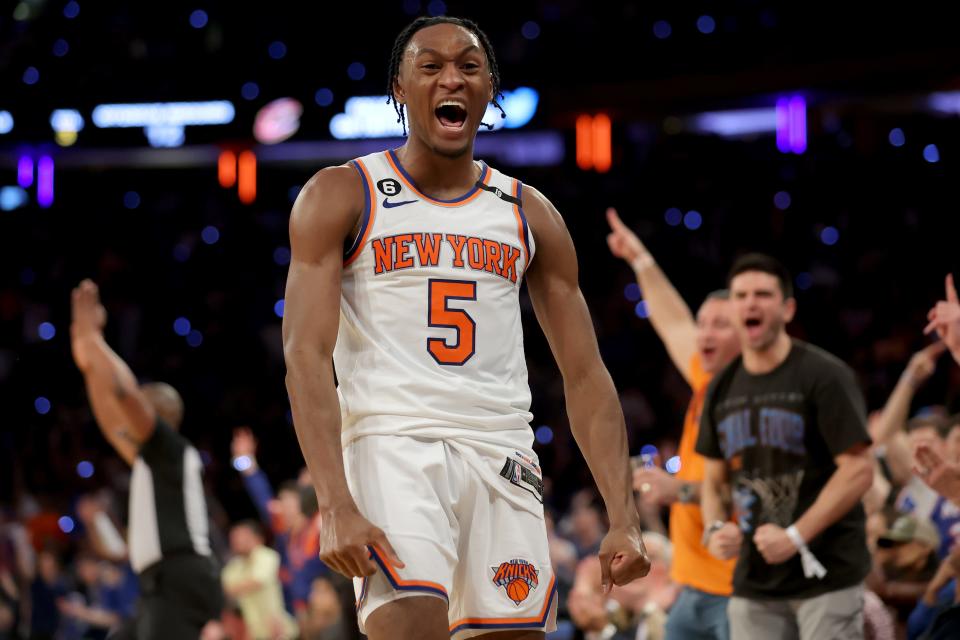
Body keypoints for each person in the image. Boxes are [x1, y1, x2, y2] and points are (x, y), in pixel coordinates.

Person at [282, 15, 650, 640]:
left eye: (469, 66)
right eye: (430, 66)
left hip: (502, 453)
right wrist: (334, 501)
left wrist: (624, 515)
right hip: (392, 445)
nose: (451, 77)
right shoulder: (344, 193)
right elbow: (305, 355)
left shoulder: (528, 212)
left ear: (489, 91)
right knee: (412, 625)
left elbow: (586, 373)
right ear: (399, 89)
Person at [696, 253, 874, 640]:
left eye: (763, 294)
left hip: (826, 572)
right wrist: (713, 527)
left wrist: (795, 536)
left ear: (788, 308)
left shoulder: (824, 376)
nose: (751, 303)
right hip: (754, 580)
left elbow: (859, 468)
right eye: (741, 295)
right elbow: (713, 480)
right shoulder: (720, 388)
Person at [606, 207, 740, 640]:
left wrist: (675, 489)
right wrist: (641, 260)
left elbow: (757, 488)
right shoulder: (708, 382)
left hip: (738, 587)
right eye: (705, 324)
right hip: (695, 582)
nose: (704, 335)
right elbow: (673, 322)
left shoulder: (756, 401)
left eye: (720, 325)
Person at [70, 279, 223, 639]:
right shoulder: (150, 459)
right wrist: (89, 358)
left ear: (156, 415)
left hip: (181, 575)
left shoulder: (171, 449)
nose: (128, 420)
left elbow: (123, 394)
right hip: (162, 580)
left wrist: (94, 341)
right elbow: (110, 418)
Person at [222, 521, 299, 640]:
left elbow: (257, 581)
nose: (237, 541)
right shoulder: (234, 565)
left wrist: (237, 586)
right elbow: (225, 588)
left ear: (255, 537)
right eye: (234, 537)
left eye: (241, 536)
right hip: (254, 634)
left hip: (279, 631)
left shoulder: (267, 555)